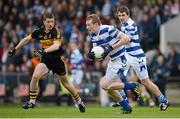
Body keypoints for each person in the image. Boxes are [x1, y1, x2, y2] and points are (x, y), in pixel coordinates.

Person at [8, 12, 85, 113]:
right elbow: (26, 39)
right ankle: (32, 101)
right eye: (48, 22)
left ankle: (79, 102)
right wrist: (15, 49)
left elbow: (56, 46)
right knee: (35, 76)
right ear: (44, 22)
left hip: (58, 60)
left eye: (52, 21)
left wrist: (43, 51)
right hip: (46, 60)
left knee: (66, 84)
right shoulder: (39, 31)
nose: (50, 24)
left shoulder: (55, 31)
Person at [109, 5, 169, 111]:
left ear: (128, 15)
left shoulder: (130, 25)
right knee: (115, 76)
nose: (121, 17)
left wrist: (110, 47)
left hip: (137, 57)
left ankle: (163, 100)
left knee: (145, 82)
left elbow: (126, 40)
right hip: (128, 56)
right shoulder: (123, 25)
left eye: (123, 15)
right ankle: (124, 102)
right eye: (119, 15)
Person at [86, 14, 140, 114]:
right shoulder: (93, 36)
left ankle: (133, 86)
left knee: (104, 84)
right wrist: (93, 56)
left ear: (96, 24)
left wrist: (111, 47)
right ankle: (127, 107)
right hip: (113, 61)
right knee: (108, 88)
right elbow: (100, 56)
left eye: (89, 25)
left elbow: (126, 39)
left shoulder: (107, 29)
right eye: (86, 25)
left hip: (123, 57)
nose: (87, 27)